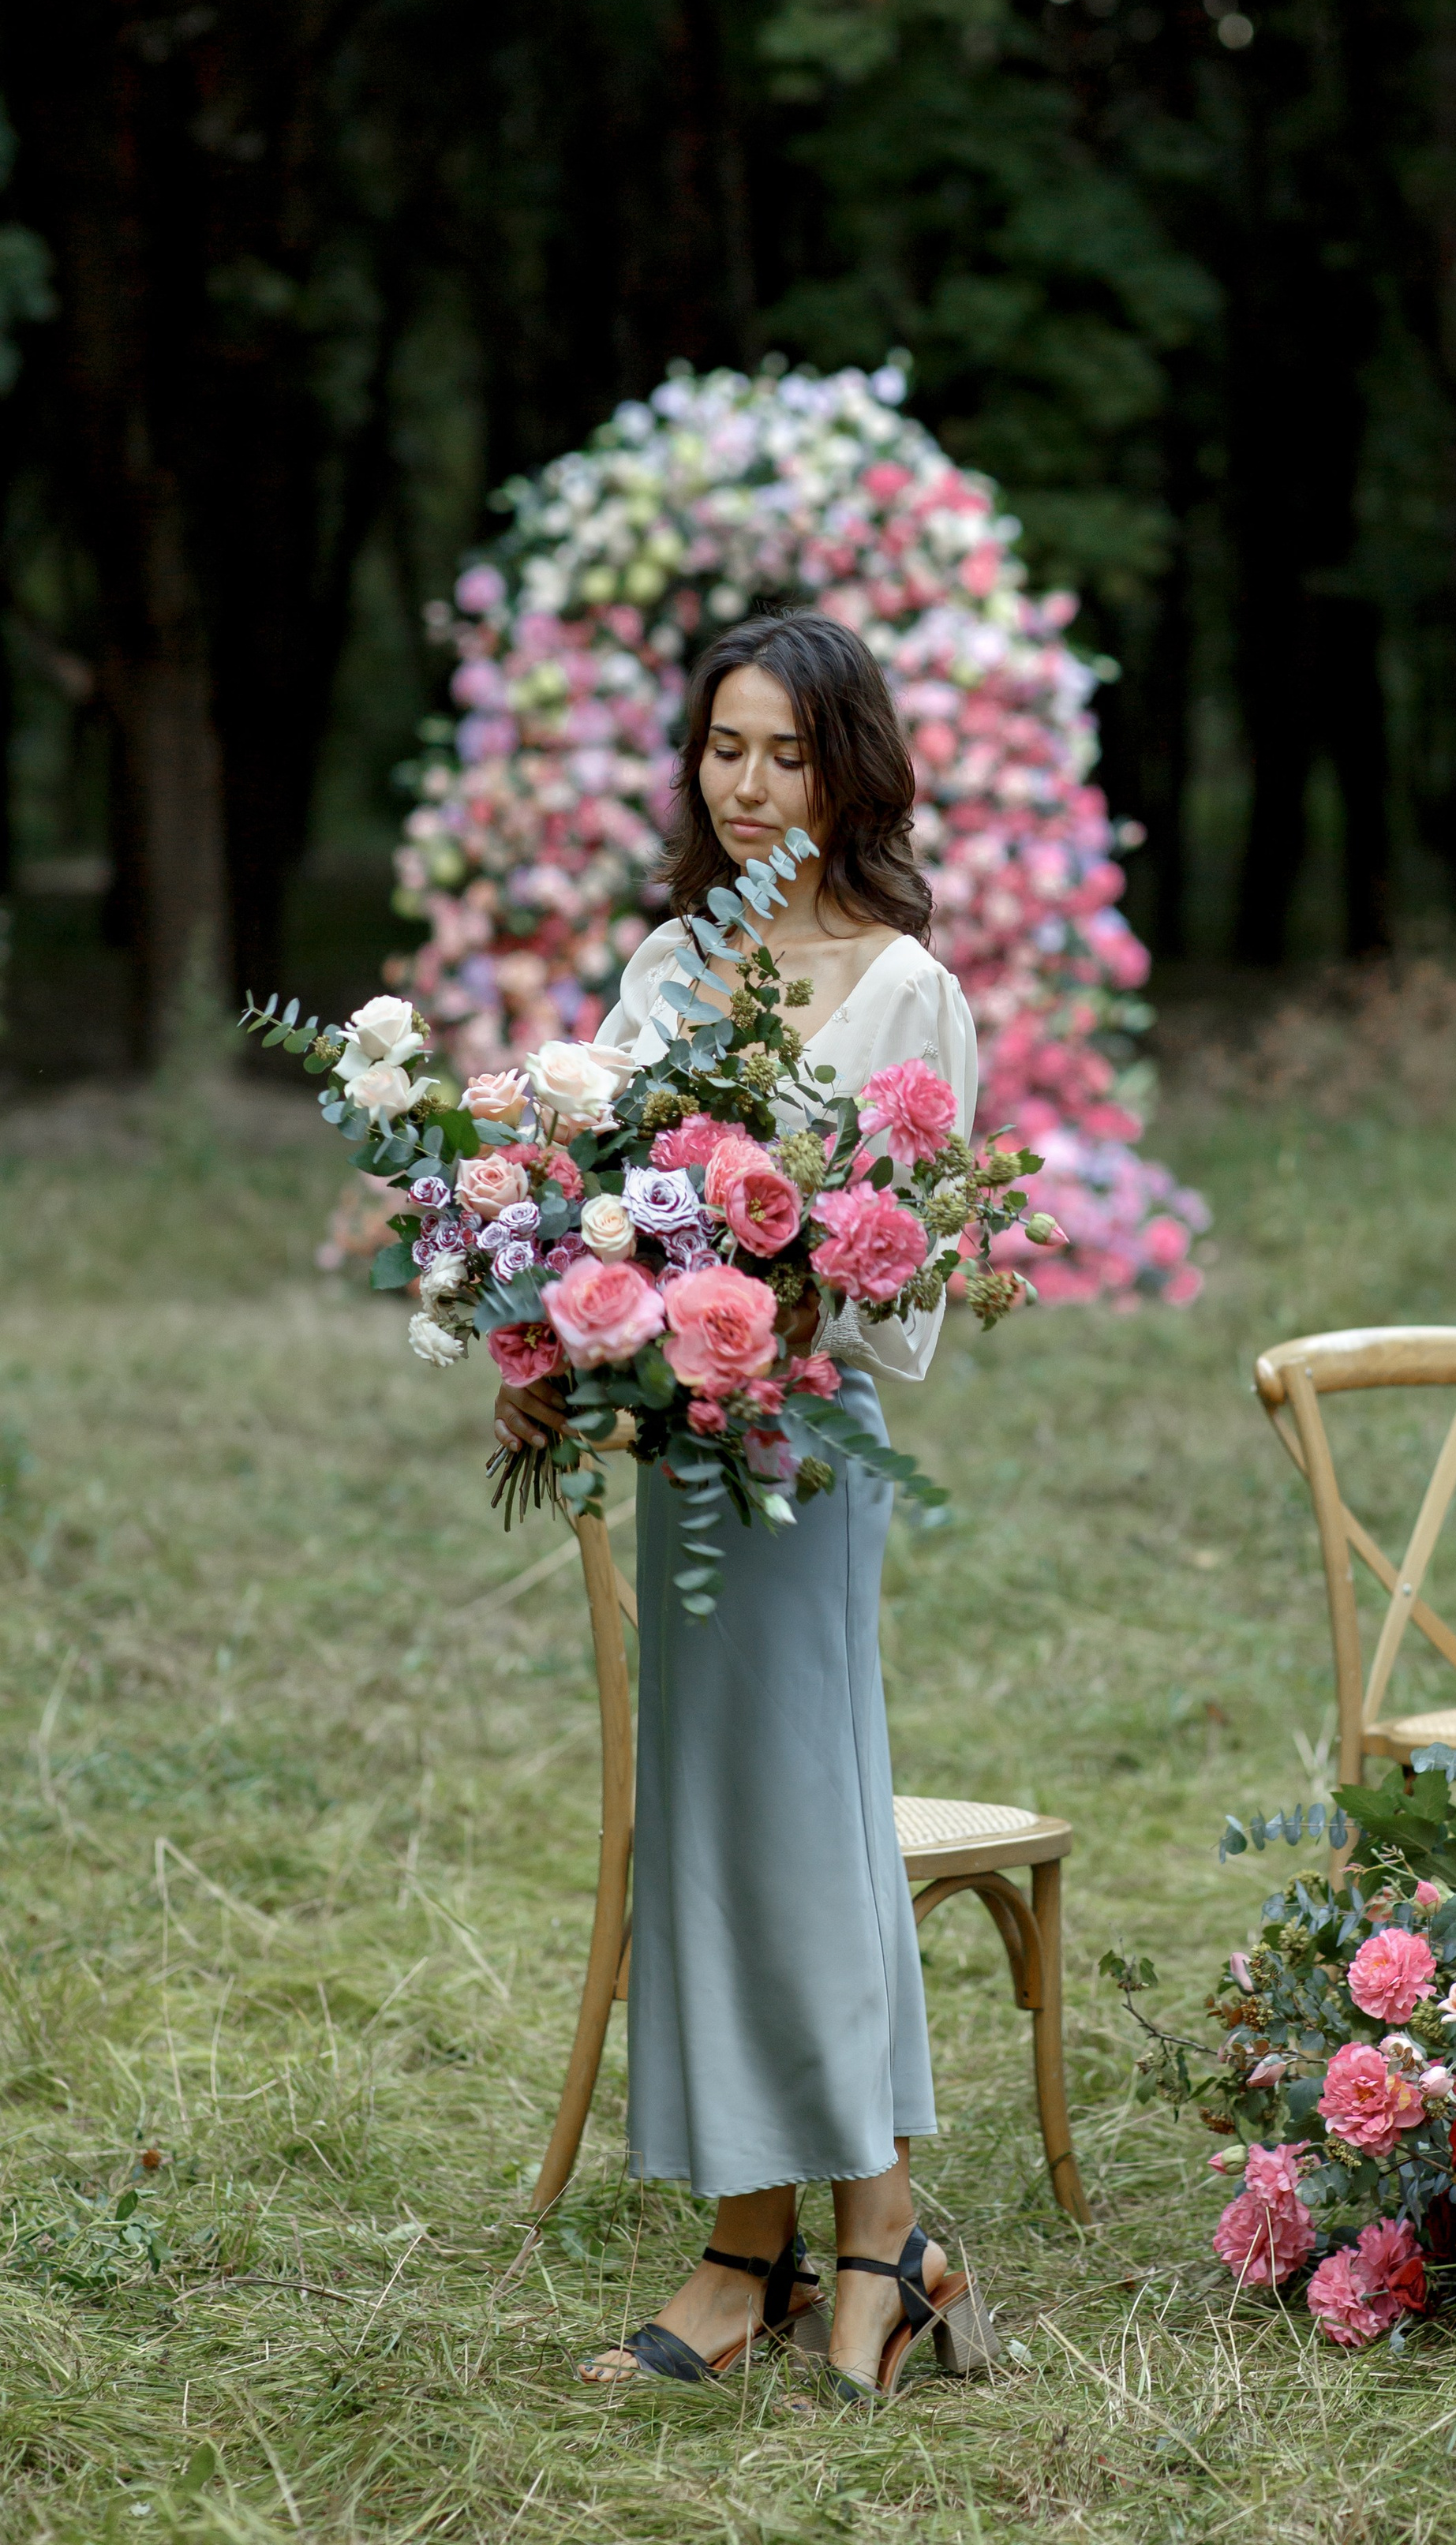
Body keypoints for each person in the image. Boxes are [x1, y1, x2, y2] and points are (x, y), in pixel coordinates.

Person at [493, 609, 988, 2400]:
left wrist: (786, 1295)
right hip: (675, 1451)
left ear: (847, 763)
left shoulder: (907, 986)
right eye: (725, 745)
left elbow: (910, 1295)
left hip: (804, 1454)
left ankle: (866, 2232)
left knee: (806, 1818)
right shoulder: (665, 969)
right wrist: (568, 1309)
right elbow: (589, 1193)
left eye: (786, 749)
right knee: (708, 1836)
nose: (752, 779)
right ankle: (765, 2240)